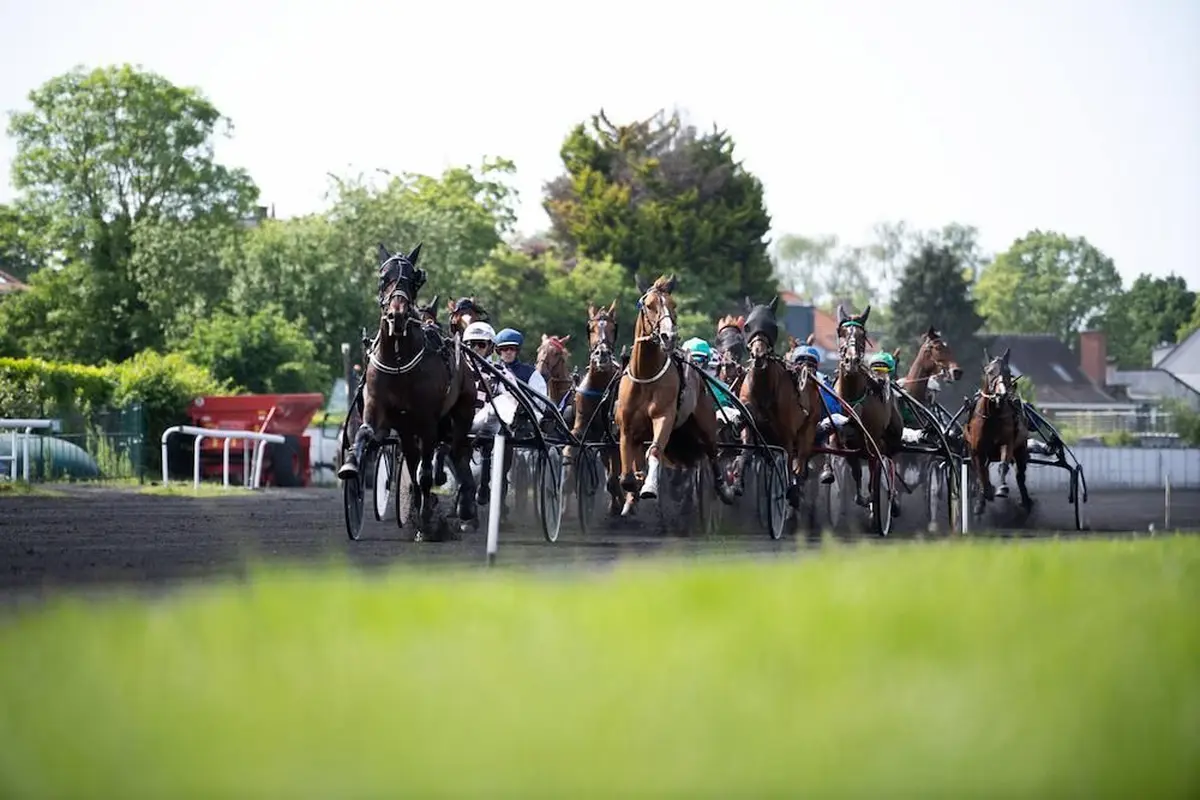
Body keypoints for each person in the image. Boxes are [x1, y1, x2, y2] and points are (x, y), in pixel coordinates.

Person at [494, 328, 549, 400]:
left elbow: (540, 401)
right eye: (504, 349)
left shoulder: (530, 373)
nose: (508, 352)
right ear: (499, 351)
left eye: (512, 348)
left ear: (517, 351)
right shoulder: (491, 371)